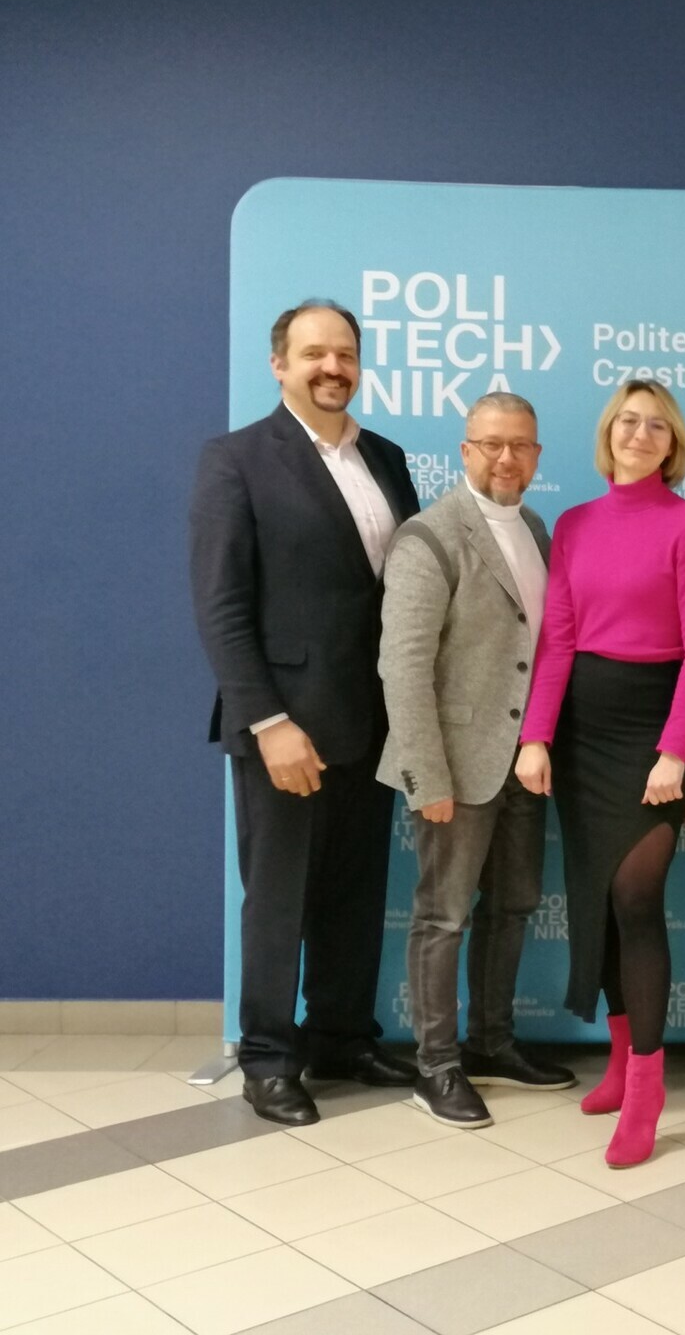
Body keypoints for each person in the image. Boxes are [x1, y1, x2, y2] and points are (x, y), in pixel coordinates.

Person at [189, 299, 422, 1125]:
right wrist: (267, 721)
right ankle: (267, 1057)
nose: (333, 367)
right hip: (284, 726)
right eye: (315, 353)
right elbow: (221, 605)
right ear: (279, 364)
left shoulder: (387, 458)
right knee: (279, 899)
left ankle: (341, 1038)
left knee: (355, 895)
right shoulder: (237, 460)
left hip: (374, 721)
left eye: (346, 354)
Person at [513, 379, 685, 1167]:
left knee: (636, 898)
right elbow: (559, 640)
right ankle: (618, 1056)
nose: (640, 434)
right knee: (598, 897)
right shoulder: (574, 524)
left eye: (657, 426)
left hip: (652, 732)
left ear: (674, 444)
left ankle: (647, 1088)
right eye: (628, 422)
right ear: (609, 433)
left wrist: (675, 752)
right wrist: (536, 737)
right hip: (581, 734)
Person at [377, 393, 577, 1129]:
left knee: (515, 903)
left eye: (520, 445)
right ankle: (436, 1065)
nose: (506, 458)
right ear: (465, 451)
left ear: (537, 456)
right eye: (491, 443)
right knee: (443, 916)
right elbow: (403, 667)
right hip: (454, 768)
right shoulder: (428, 537)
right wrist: (425, 777)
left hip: (526, 761)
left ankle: (493, 1042)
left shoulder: (537, 529)